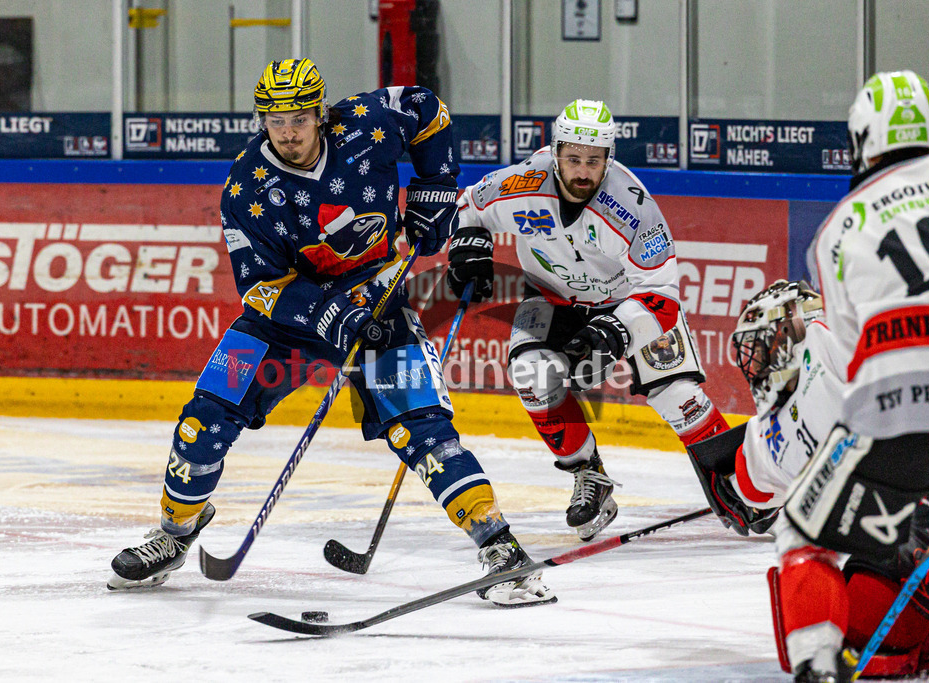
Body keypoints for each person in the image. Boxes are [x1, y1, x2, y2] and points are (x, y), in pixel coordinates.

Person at [107, 58, 554, 607]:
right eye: (275, 120)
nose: (288, 132)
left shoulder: (366, 124)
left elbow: (426, 109)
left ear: (320, 113)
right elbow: (260, 288)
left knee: (423, 430)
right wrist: (329, 315)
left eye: (298, 118)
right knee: (203, 422)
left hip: (378, 302)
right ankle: (174, 535)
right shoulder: (246, 185)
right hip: (285, 323)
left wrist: (436, 185)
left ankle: (500, 546)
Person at [447, 99, 729, 541]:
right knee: (530, 373)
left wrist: (616, 332)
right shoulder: (523, 183)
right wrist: (468, 244)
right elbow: (469, 204)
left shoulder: (631, 207)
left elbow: (662, 294)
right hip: (552, 296)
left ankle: (738, 479)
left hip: (629, 302)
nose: (582, 171)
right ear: (555, 153)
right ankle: (588, 474)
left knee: (677, 395)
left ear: (608, 159)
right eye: (573, 159)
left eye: (593, 161)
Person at [772, 70, 929, 682]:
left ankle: (819, 668)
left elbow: (850, 367)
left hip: (901, 407)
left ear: (860, 141)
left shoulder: (838, 228)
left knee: (801, 534)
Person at [690, 279, 929, 680]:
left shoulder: (831, 340)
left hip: (915, 497)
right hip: (900, 523)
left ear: (789, 329)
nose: (755, 365)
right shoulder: (765, 429)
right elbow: (744, 491)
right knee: (862, 631)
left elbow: (745, 496)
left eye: (760, 346)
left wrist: (732, 497)